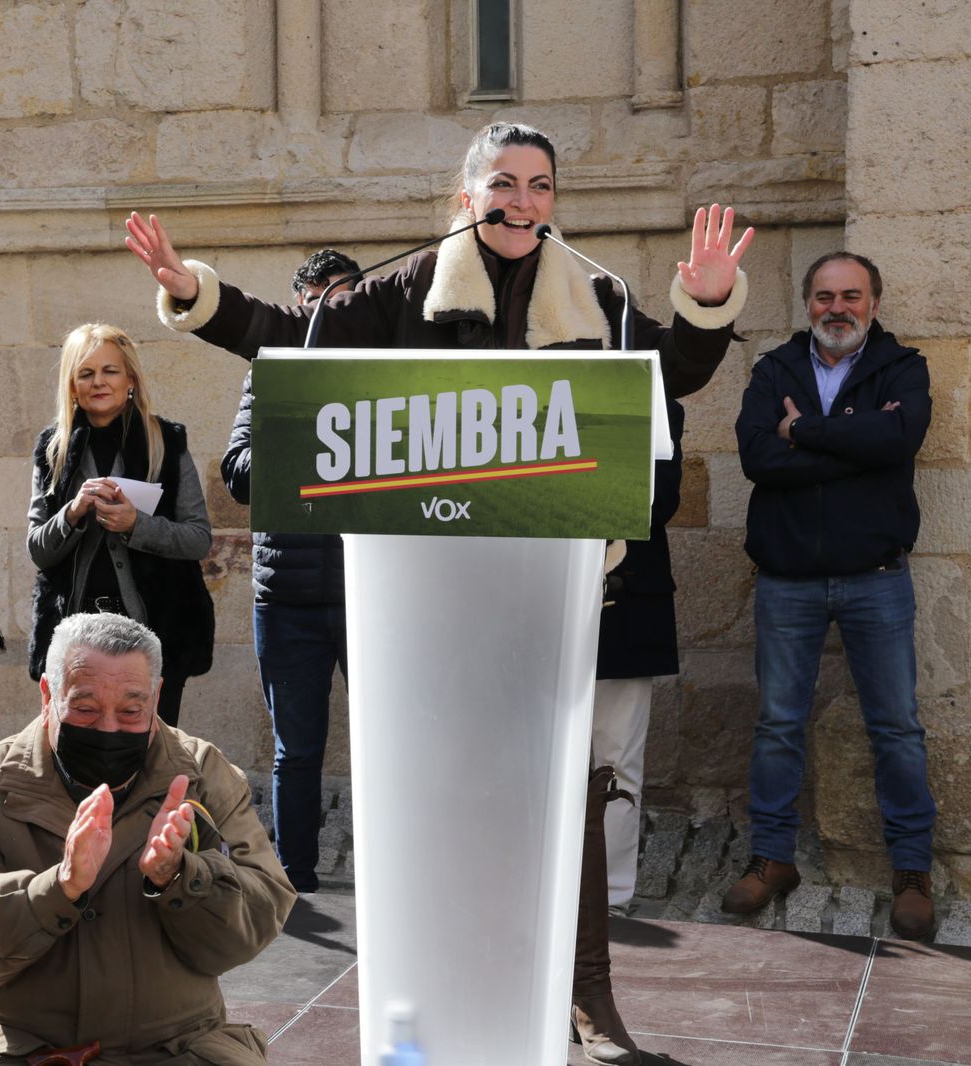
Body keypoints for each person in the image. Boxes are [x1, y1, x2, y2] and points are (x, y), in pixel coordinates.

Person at [126, 122, 754, 1066]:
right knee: (452, 792)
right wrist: (194, 294)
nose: (523, 200)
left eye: (541, 184)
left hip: (549, 591)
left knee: (564, 795)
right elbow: (295, 342)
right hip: (434, 595)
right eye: (504, 182)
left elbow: (671, 376)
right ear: (468, 197)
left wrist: (706, 303)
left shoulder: (601, 294)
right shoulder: (402, 289)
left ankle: (582, 999)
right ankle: (446, 992)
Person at [0, 612, 295, 1066]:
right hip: (27, 1050)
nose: (109, 729)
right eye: (85, 708)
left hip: (174, 1049)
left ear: (156, 698)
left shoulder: (202, 775)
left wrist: (180, 877)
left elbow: (255, 922)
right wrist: (59, 888)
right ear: (47, 695)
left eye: (132, 711)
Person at [725, 252, 936, 939]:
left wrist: (805, 432)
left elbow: (897, 437)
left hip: (876, 579)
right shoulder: (775, 370)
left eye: (851, 295)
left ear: (873, 301)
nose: (836, 308)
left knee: (896, 728)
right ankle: (772, 857)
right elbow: (758, 456)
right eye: (823, 296)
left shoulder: (901, 368)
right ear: (807, 303)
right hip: (787, 582)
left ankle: (911, 870)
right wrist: (851, 448)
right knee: (778, 727)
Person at [220, 248, 358, 895]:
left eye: (345, 300)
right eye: (318, 302)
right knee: (296, 753)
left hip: (370, 594)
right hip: (290, 597)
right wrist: (292, 436)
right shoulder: (267, 376)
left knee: (393, 748)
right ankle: (295, 881)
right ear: (298, 306)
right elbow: (238, 473)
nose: (330, 313)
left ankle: (399, 876)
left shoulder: (382, 377)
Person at [27, 323, 215, 729]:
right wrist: (72, 513)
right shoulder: (52, 447)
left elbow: (199, 539)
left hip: (157, 629)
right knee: (80, 748)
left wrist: (136, 525)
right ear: (72, 385)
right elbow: (38, 549)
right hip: (76, 638)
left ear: (130, 378)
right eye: (86, 373)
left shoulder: (166, 440)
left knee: (150, 752)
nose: (99, 382)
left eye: (110, 371)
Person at [593, 398, 686, 913]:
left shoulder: (653, 400)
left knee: (615, 763)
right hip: (535, 600)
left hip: (626, 601)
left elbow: (656, 500)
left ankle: (610, 899)